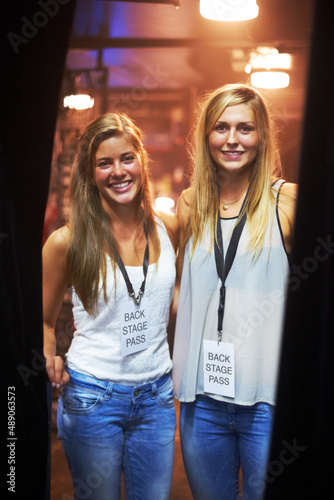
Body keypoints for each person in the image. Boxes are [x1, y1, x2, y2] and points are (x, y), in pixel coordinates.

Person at [43, 112, 179, 500]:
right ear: (91, 172)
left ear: (142, 161)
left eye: (126, 158)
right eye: (105, 163)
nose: (118, 171)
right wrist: (48, 354)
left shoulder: (169, 227)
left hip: (156, 398)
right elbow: (42, 321)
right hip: (92, 398)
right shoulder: (66, 242)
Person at [172, 83, 297, 500]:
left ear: (262, 137)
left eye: (245, 129)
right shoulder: (190, 205)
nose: (232, 139)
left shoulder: (286, 202)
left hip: (268, 402)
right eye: (221, 127)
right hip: (202, 401)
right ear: (206, 136)